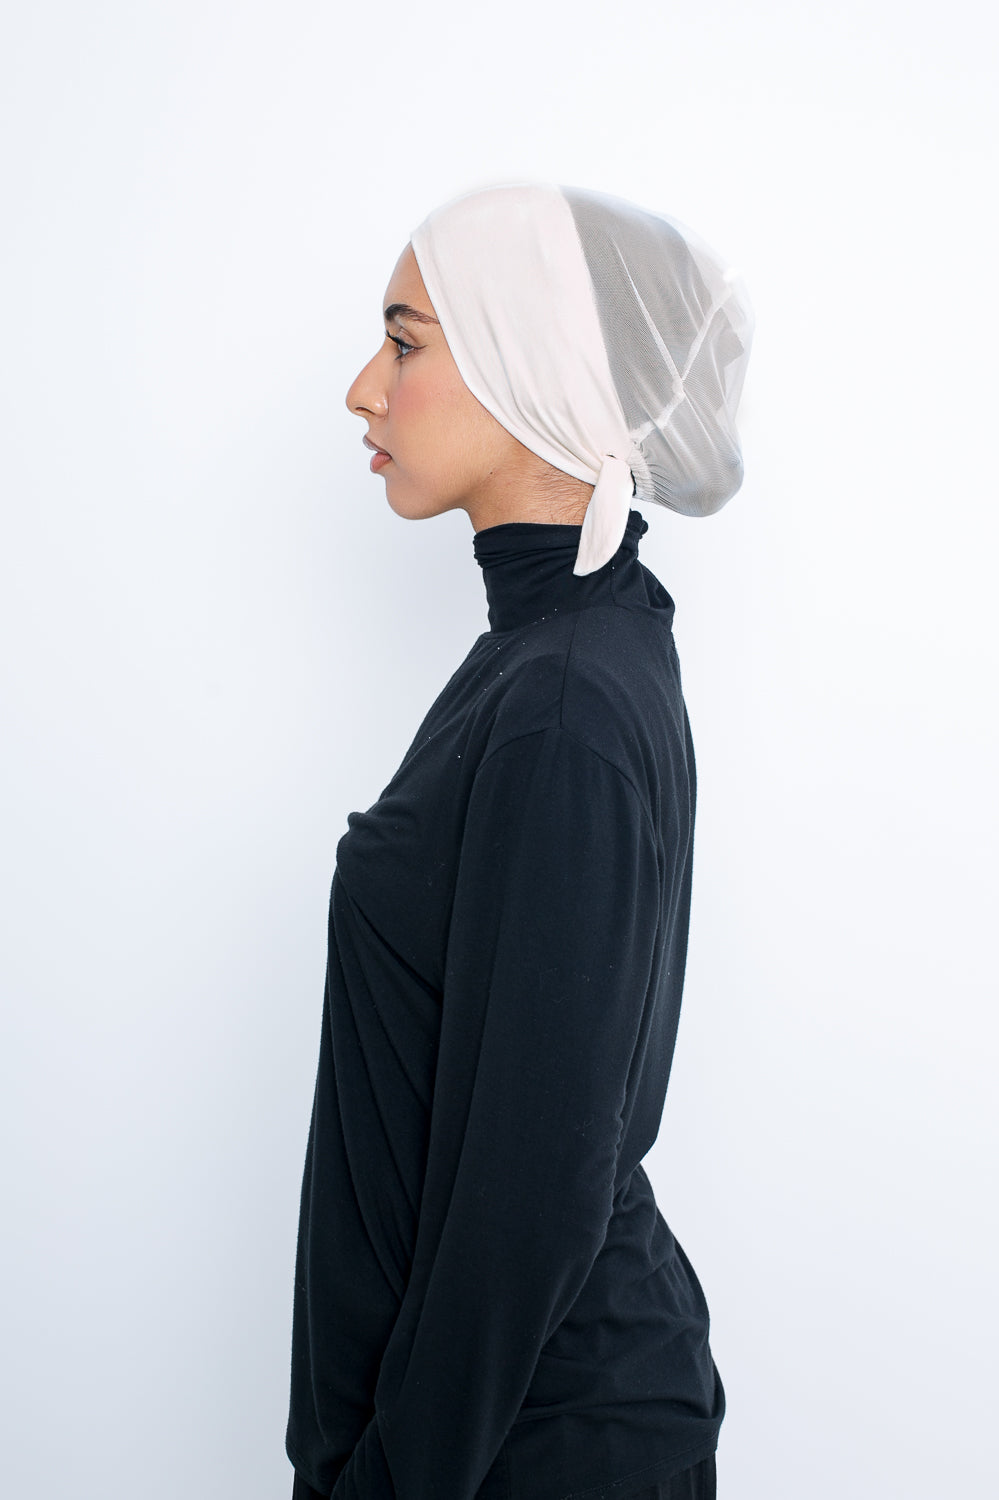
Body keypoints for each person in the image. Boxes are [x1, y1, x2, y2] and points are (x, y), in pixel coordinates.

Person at [286, 183, 753, 1500]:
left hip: (535, 1451)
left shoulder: (561, 702)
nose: (365, 389)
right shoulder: (561, 656)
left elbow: (531, 1194)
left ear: (526, 362)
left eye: (406, 341)